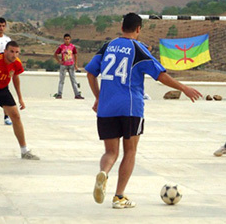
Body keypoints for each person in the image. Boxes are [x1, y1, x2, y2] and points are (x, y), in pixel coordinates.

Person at [86, 13, 202, 209]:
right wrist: (184, 88)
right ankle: (119, 196)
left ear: (122, 27)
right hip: (130, 108)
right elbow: (160, 75)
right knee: (130, 151)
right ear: (138, 29)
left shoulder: (107, 47)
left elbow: (90, 72)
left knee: (110, 152)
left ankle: (104, 173)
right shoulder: (138, 49)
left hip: (107, 108)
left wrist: (98, 97)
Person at [54, 33, 84, 99]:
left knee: (73, 80)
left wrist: (76, 65)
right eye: (66, 39)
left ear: (70, 39)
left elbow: (75, 55)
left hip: (71, 65)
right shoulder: (61, 47)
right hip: (63, 65)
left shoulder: (72, 47)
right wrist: (59, 61)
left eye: (68, 39)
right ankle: (59, 94)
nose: (67, 40)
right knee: (61, 80)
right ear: (64, 39)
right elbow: (55, 54)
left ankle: (77, 94)